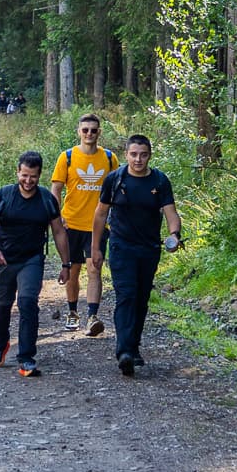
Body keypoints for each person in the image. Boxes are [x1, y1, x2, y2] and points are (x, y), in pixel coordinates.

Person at [93, 133, 183, 376]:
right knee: (126, 295)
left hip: (149, 248)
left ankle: (133, 347)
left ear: (150, 155)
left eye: (143, 155)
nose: (138, 159)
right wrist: (95, 247)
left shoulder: (160, 181)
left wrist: (174, 234)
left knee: (141, 299)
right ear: (126, 155)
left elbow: (171, 212)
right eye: (133, 154)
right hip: (121, 247)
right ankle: (124, 351)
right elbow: (100, 214)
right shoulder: (115, 179)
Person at [0, 151, 67, 375]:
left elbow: (58, 231)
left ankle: (26, 357)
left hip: (31, 259)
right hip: (4, 258)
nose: (28, 181)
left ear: (39, 175)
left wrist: (66, 264)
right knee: (2, 306)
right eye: (24, 175)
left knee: (28, 302)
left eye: (33, 177)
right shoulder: (4, 195)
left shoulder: (46, 199)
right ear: (17, 172)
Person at [51, 113, 115, 335]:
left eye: (93, 130)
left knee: (94, 268)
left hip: (98, 225)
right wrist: (57, 216)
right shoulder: (67, 157)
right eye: (85, 130)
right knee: (73, 270)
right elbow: (56, 188)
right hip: (71, 224)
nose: (89, 134)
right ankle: (72, 312)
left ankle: (92, 316)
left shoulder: (109, 158)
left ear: (99, 132)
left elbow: (116, 188)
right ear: (79, 131)